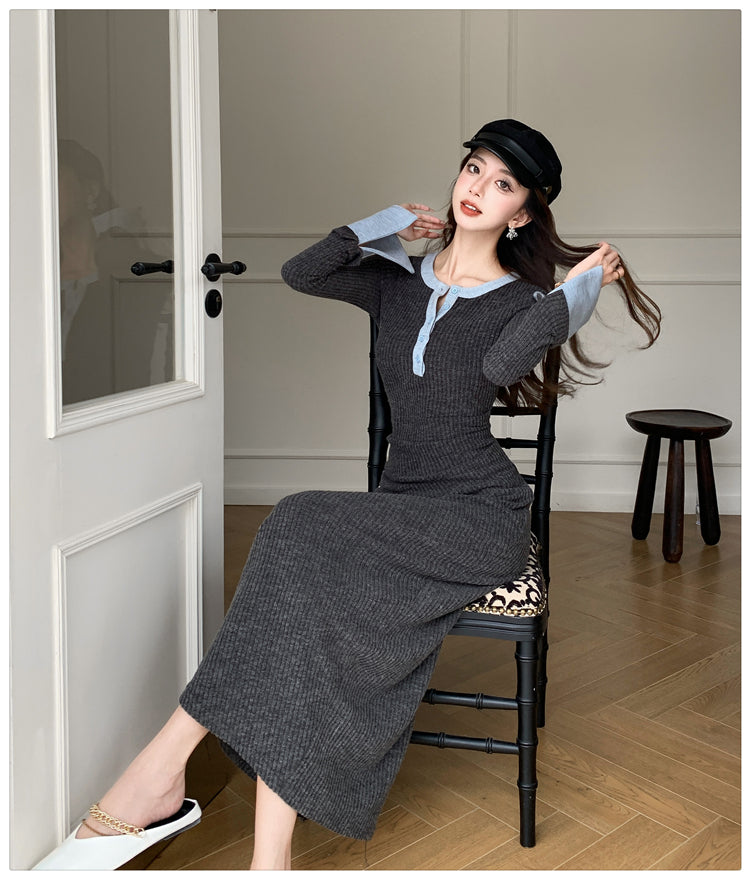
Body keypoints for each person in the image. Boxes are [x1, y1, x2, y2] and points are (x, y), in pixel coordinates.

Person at [34, 120, 661, 871]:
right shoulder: (398, 281)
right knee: (301, 607)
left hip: (477, 517)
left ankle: (158, 772)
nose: (476, 188)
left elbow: (500, 364)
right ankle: (267, 856)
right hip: (401, 506)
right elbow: (302, 271)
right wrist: (381, 226)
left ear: (522, 213)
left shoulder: (522, 300)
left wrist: (574, 293)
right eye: (473, 168)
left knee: (296, 520)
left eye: (502, 184)